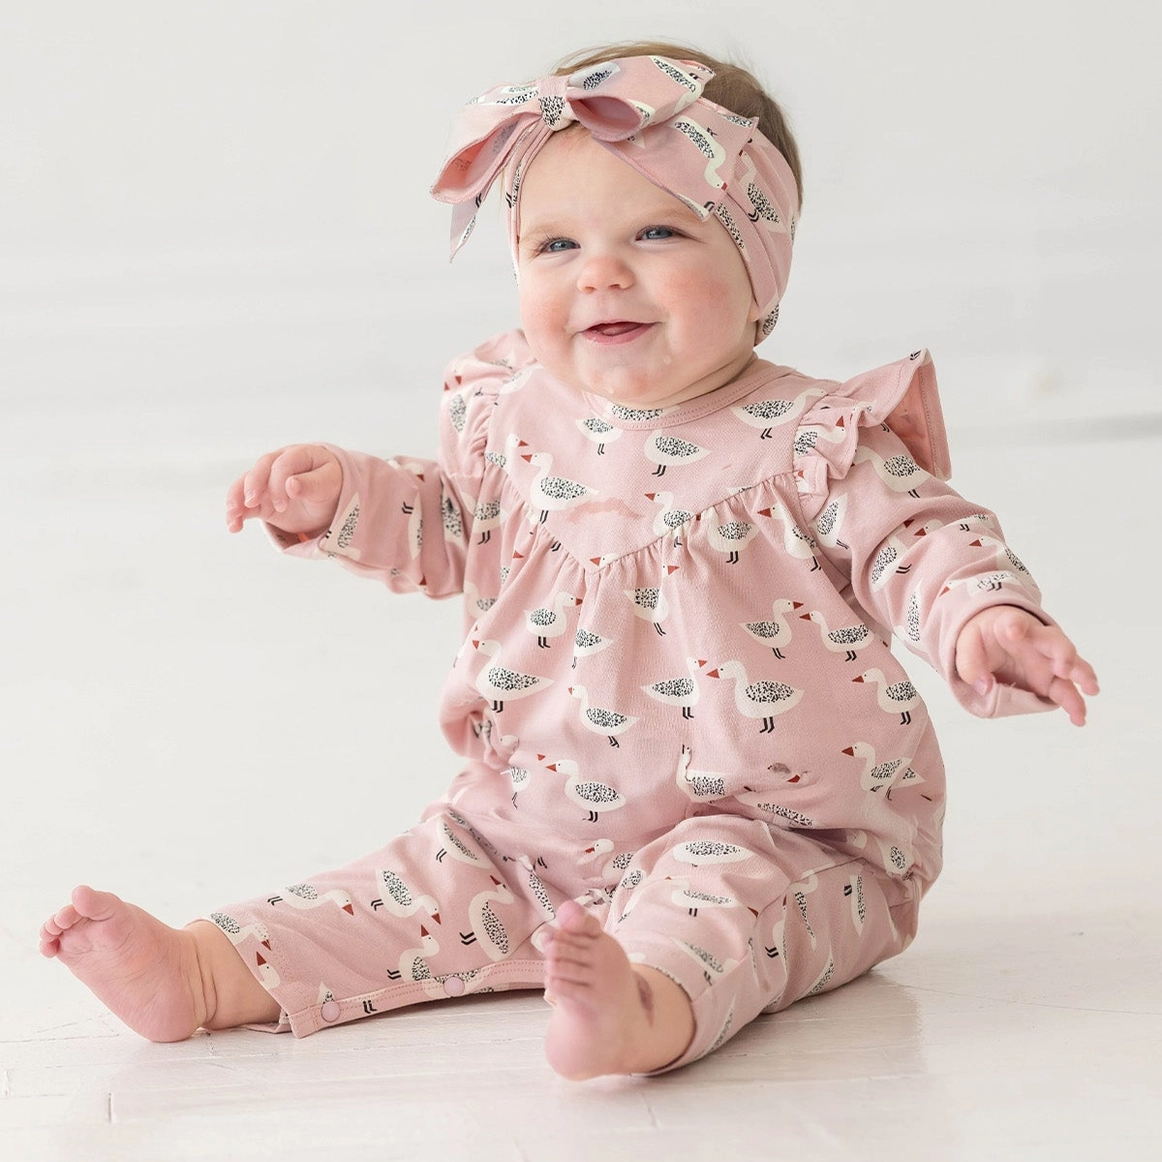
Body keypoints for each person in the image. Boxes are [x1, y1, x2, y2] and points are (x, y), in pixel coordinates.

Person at [39, 42, 1098, 1081]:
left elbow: (920, 541)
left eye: (655, 230)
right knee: (406, 889)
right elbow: (455, 527)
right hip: (527, 823)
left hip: (781, 830)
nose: (600, 272)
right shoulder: (511, 417)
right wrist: (344, 497)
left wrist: (983, 619)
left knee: (721, 907)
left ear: (756, 261)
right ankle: (208, 968)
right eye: (553, 246)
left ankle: (643, 1007)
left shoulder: (810, 443)